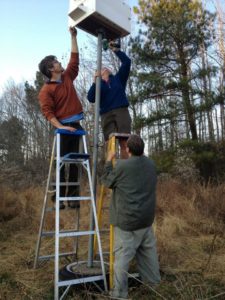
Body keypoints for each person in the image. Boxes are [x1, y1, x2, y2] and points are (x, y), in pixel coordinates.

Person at [101, 134, 161, 298]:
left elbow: (106, 182)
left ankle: (119, 295)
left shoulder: (121, 166)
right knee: (149, 256)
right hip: (146, 220)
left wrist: (108, 161)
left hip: (128, 222)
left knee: (121, 260)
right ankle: (155, 288)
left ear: (127, 149)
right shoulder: (151, 164)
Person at [38, 27, 83, 209]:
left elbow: (74, 59)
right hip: (63, 128)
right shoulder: (46, 91)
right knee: (61, 163)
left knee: (75, 163)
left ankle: (72, 198)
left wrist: (73, 37)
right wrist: (61, 127)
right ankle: (58, 198)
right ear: (51, 69)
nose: (59, 63)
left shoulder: (67, 77)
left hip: (77, 125)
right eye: (56, 62)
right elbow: (48, 113)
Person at [87, 42, 132, 159]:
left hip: (121, 110)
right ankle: (111, 170)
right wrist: (94, 81)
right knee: (110, 144)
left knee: (125, 141)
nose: (104, 68)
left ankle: (126, 167)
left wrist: (115, 50)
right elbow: (90, 98)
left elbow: (127, 62)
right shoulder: (98, 86)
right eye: (101, 69)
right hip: (106, 113)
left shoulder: (118, 79)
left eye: (106, 68)